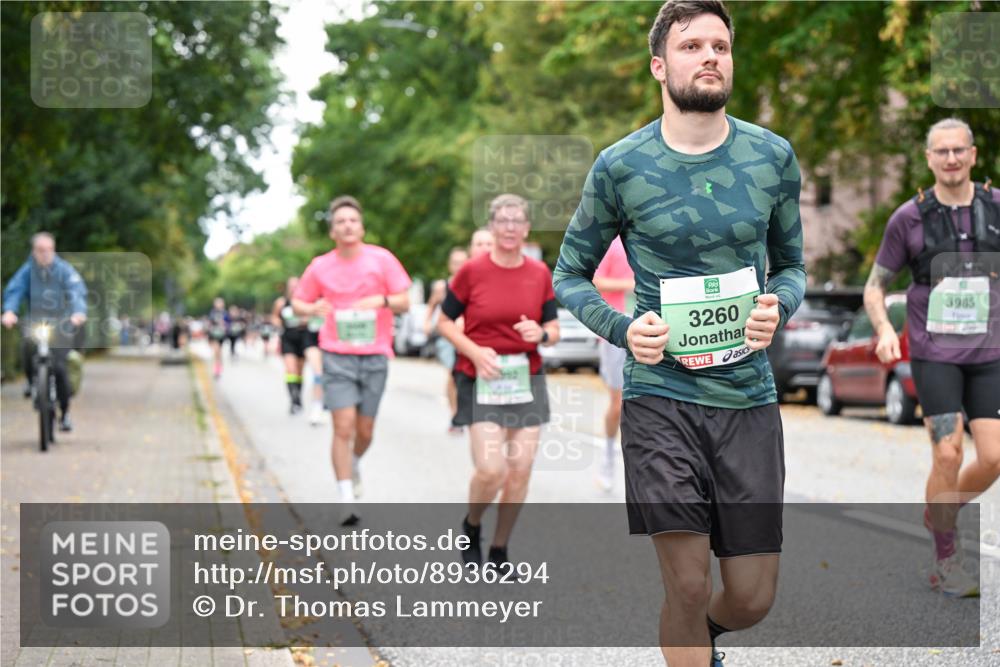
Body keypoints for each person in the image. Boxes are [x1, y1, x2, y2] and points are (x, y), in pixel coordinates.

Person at [552, 2, 806, 665]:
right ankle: (689, 634)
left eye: (720, 45)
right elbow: (570, 273)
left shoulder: (772, 157)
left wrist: (778, 304)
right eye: (692, 45)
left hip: (746, 397)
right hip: (659, 395)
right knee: (688, 583)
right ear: (661, 65)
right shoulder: (620, 165)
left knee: (750, 597)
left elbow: (793, 267)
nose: (711, 55)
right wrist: (623, 327)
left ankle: (702, 639)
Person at [864, 117, 1000, 599]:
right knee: (948, 451)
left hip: (989, 352)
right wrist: (883, 329)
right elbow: (875, 286)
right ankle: (946, 558)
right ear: (928, 159)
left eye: (958, 150)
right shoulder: (910, 218)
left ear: (973, 154)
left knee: (995, 457)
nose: (951, 159)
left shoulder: (996, 208)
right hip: (934, 352)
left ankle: (941, 511)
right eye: (941, 152)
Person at [438, 193, 561, 572]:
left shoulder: (539, 274)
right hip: (481, 377)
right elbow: (443, 322)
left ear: (527, 228)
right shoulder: (472, 271)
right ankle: (472, 524)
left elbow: (553, 329)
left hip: (526, 377)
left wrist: (538, 334)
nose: (509, 227)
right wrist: (473, 351)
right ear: (492, 227)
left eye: (517, 220)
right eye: (502, 220)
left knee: (521, 468)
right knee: (492, 469)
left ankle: (500, 548)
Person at [293, 196, 412, 525]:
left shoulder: (382, 259)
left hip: (375, 355)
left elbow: (405, 300)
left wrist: (382, 299)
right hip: (337, 355)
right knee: (342, 426)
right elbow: (298, 302)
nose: (347, 225)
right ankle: (346, 496)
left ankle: (354, 461)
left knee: (365, 429)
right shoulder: (320, 265)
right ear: (332, 231)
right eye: (340, 221)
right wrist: (312, 308)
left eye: (353, 221)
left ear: (361, 227)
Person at [2, 232, 88, 431]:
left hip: (60, 325)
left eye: (49, 249)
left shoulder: (64, 270)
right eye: (41, 250)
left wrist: (78, 312)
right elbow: (15, 290)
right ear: (34, 251)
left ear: (54, 249)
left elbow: (76, 291)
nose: (45, 254)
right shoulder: (27, 271)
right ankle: (32, 381)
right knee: (27, 346)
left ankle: (65, 413)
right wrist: (9, 311)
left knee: (60, 369)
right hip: (35, 323)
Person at [592, 236, 635, 492]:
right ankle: (607, 458)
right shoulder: (610, 242)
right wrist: (630, 284)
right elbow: (595, 281)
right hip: (616, 330)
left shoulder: (655, 234)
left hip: (655, 328)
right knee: (619, 403)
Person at [424, 246, 471, 435]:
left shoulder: (473, 282)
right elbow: (431, 306)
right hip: (447, 337)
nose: (459, 266)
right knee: (453, 374)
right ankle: (456, 416)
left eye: (462, 262)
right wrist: (427, 323)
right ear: (450, 265)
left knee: (467, 376)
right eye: (455, 263)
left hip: (468, 336)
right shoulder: (442, 287)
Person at [273, 277, 310, 414]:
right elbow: (275, 317)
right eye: (292, 285)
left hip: (302, 338)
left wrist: (304, 320)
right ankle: (293, 399)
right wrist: (279, 323)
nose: (294, 288)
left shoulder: (305, 303)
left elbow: (312, 316)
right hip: (288, 338)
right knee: (290, 369)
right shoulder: (281, 303)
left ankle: (298, 397)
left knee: (300, 371)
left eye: (297, 285)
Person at [206, 297, 229, 378]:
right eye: (217, 303)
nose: (218, 304)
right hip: (214, 334)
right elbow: (209, 323)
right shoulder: (212, 313)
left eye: (220, 303)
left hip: (221, 335)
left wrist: (224, 325)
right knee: (216, 350)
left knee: (219, 352)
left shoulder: (225, 313)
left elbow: (228, 323)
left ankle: (219, 365)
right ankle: (216, 368)